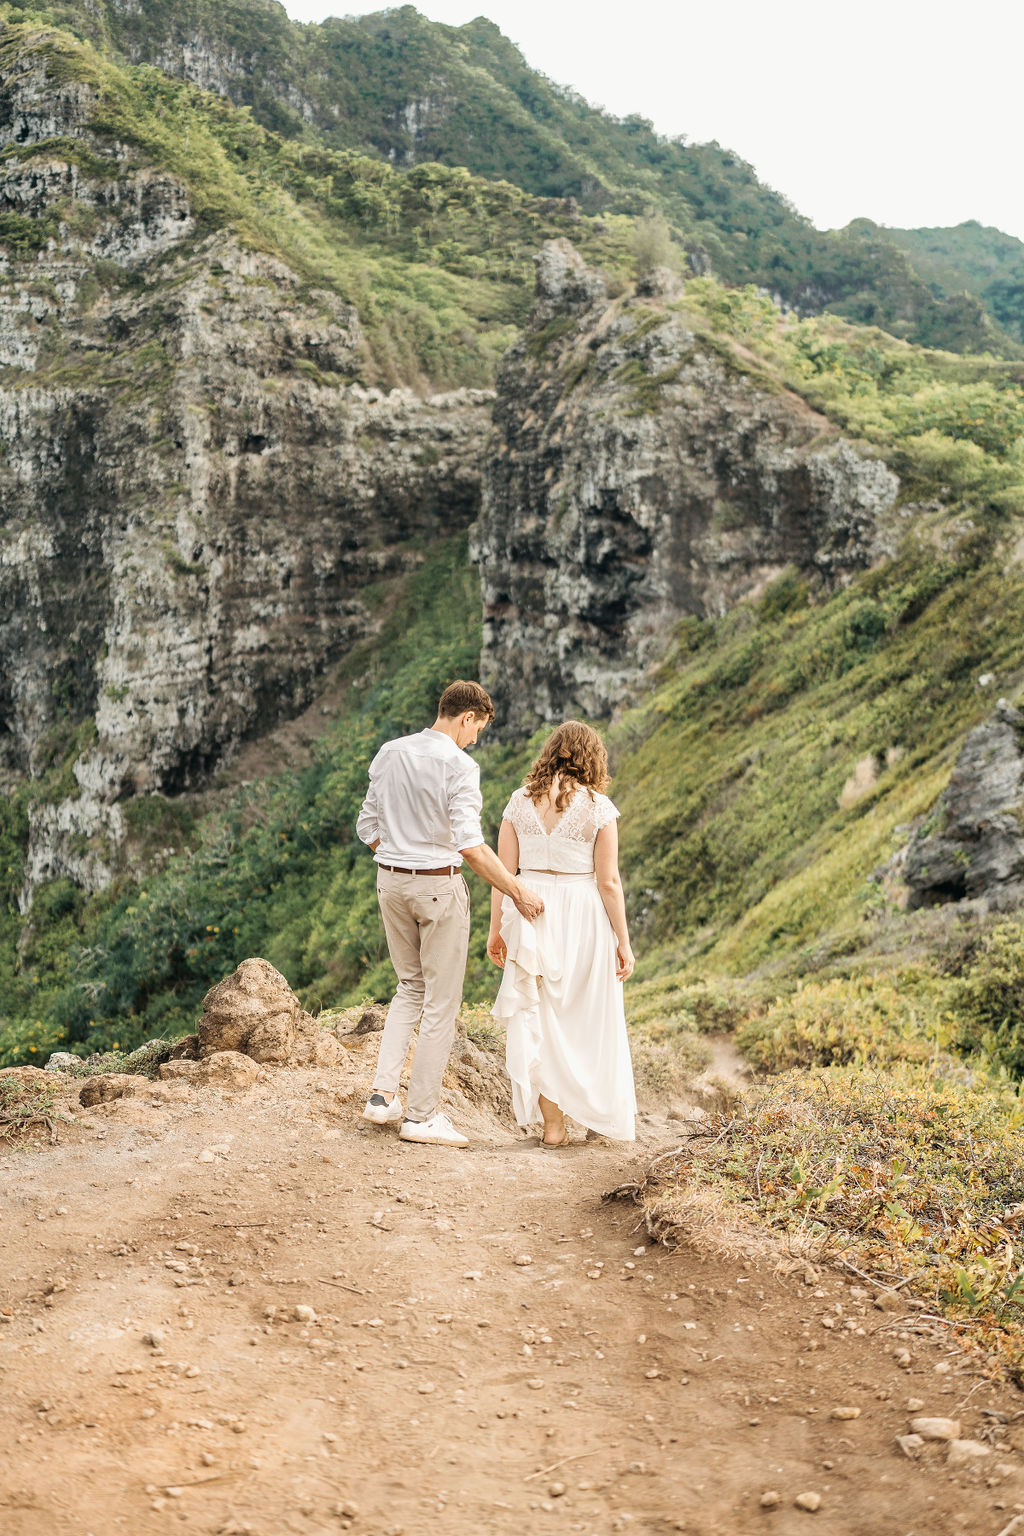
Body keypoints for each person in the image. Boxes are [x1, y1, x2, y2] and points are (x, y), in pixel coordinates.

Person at [356, 680, 544, 1148]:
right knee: (441, 1003)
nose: (475, 739)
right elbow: (471, 846)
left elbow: (367, 827)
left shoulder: (390, 752)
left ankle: (382, 1098)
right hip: (438, 887)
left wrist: (400, 854)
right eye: (476, 728)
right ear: (466, 717)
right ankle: (421, 1116)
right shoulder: (460, 765)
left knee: (408, 987)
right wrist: (517, 890)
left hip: (389, 882)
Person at [487, 720, 636, 1147]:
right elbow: (609, 882)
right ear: (593, 758)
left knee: (543, 1020)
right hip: (583, 912)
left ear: (551, 751)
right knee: (590, 1018)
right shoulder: (599, 808)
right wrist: (623, 941)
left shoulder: (518, 803)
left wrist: (496, 930)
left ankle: (554, 1128)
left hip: (531, 910)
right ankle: (596, 1113)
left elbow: (503, 875)